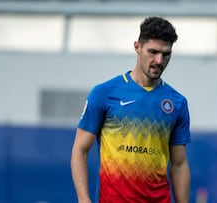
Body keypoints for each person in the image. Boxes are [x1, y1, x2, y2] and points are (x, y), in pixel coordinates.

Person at [71, 16, 191, 203]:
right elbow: (80, 150)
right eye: (153, 52)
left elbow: (179, 163)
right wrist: (83, 199)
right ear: (137, 47)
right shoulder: (104, 93)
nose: (159, 60)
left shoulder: (177, 103)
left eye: (166, 54)